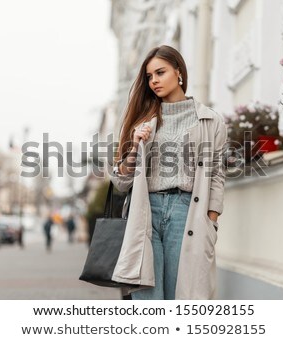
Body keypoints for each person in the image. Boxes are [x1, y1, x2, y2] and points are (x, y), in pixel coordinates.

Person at [109, 45, 227, 300]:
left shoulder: (210, 121)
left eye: (160, 73)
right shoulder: (143, 120)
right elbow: (120, 181)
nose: (154, 81)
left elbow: (217, 174)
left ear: (179, 72)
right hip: (146, 211)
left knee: (180, 294)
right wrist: (135, 146)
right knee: (148, 296)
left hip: (187, 212)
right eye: (150, 76)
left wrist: (212, 219)